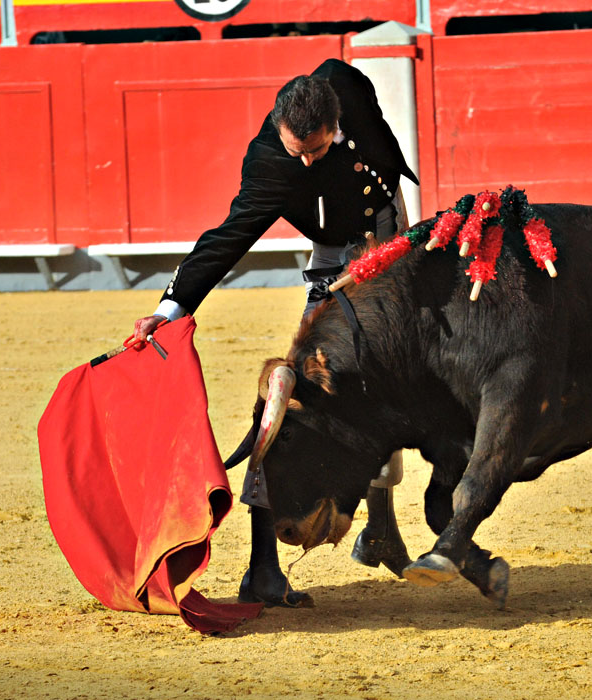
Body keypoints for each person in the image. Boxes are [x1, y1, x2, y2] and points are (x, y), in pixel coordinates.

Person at [131, 58, 418, 607]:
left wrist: (394, 248)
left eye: (317, 149)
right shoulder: (269, 161)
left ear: (336, 121)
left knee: (398, 383)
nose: (306, 161)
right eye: (297, 151)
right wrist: (171, 307)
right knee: (295, 396)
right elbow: (229, 237)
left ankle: (381, 527)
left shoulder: (347, 85)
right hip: (334, 259)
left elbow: (378, 158)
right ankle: (262, 567)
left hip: (392, 236)